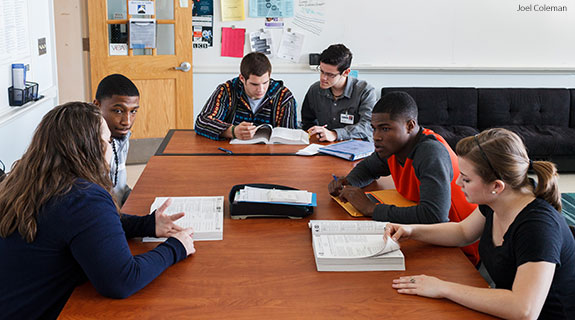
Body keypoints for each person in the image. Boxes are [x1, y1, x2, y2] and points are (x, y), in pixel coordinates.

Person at [0, 102, 195, 319]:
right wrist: (176, 247)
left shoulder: (26, 182)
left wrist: (146, 224)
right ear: (91, 148)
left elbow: (85, 227)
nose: (111, 148)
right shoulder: (83, 197)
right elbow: (121, 281)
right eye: (107, 141)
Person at [386, 128, 575, 319]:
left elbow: (524, 310)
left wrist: (443, 288)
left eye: (466, 179)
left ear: (496, 186)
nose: (458, 182)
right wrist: (410, 230)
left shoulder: (538, 227)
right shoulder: (499, 201)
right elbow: (462, 232)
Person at [329, 91, 479, 265]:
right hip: (428, 233)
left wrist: (372, 208)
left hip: (460, 248)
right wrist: (348, 183)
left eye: (385, 128)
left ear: (409, 126)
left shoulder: (430, 152)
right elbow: (369, 167)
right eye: (374, 128)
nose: (376, 136)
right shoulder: (394, 146)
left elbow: (434, 215)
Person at [195, 52, 297, 141]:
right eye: (254, 84)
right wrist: (232, 131)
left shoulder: (284, 97)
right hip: (231, 154)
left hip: (270, 156)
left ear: (269, 76)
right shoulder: (227, 91)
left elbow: (289, 137)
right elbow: (202, 122)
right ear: (242, 78)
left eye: (265, 82)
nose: (261, 89)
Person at [301, 44, 376, 142]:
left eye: (330, 74)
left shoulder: (365, 91)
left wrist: (335, 134)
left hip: (356, 146)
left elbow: (368, 126)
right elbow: (307, 122)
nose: (323, 78)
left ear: (346, 72)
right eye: (322, 71)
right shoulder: (315, 90)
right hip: (324, 145)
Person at [93, 74, 140, 205]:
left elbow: (120, 190)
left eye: (133, 112)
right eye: (118, 111)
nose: (127, 121)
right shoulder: (85, 144)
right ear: (97, 106)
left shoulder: (121, 136)